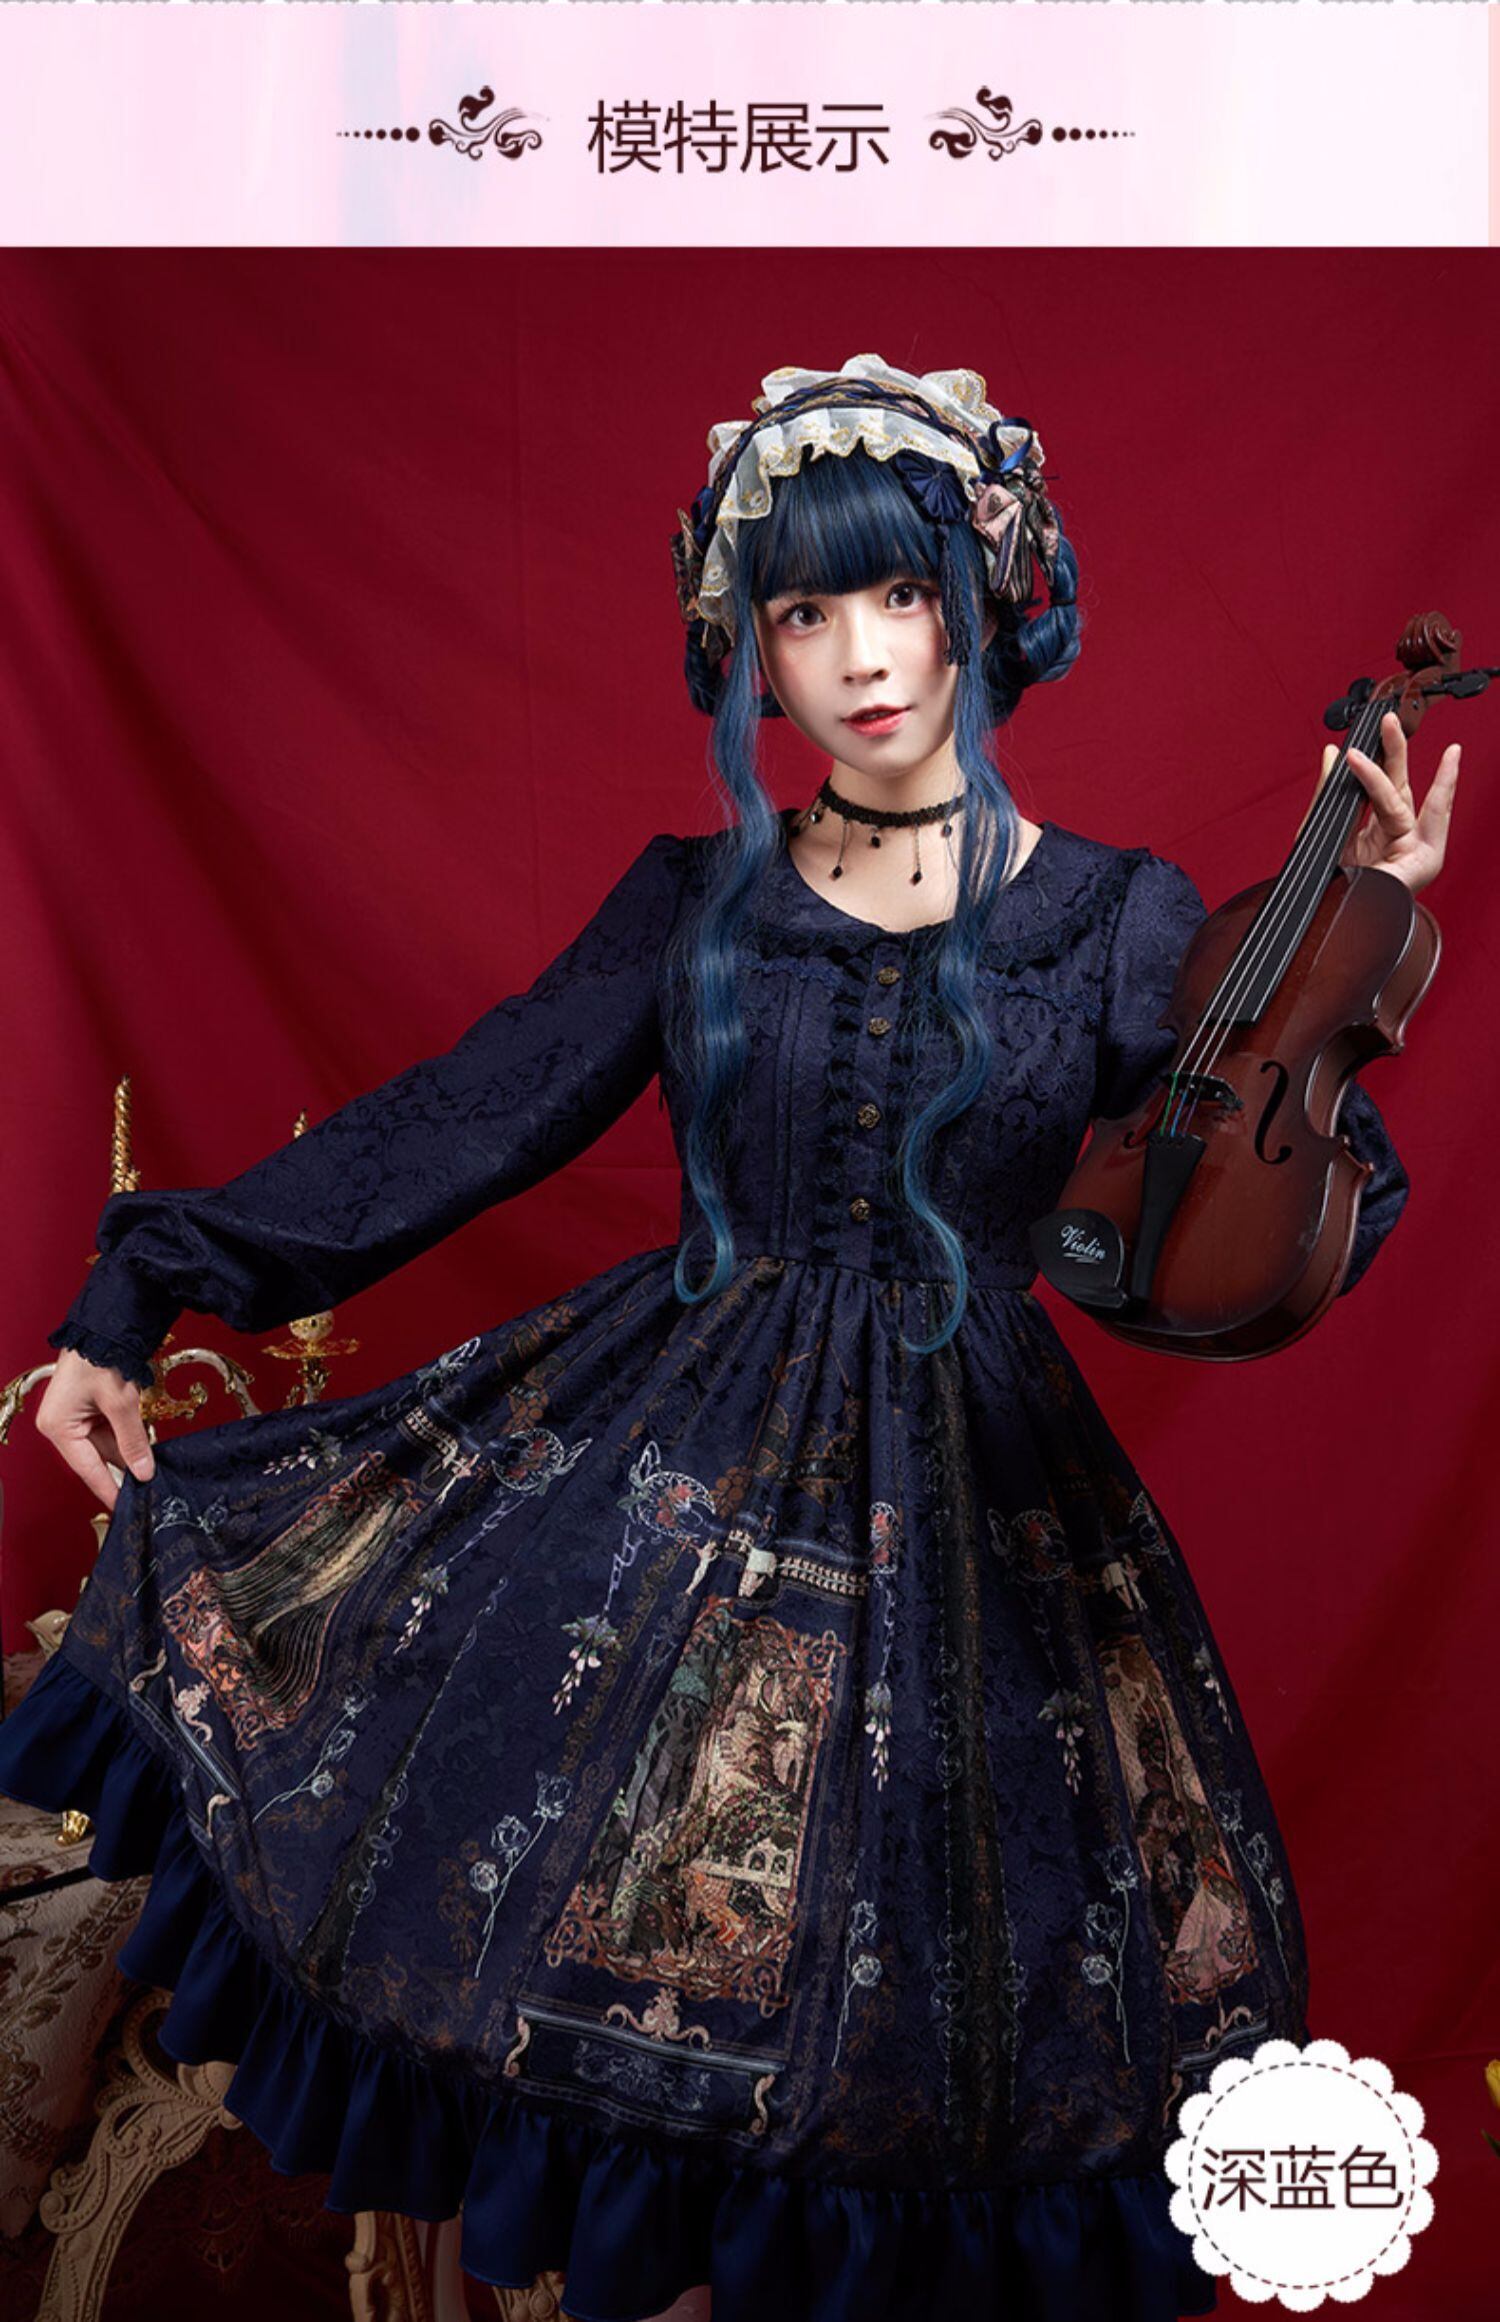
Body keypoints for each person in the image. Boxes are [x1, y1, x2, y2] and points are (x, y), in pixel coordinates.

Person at [1, 354, 1459, 2322]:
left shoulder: (1122, 922)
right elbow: (459, 1119)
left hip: (989, 1549)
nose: (860, 655)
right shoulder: (699, 903)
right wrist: (141, 1283)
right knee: (636, 2053)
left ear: (983, 600)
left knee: (931, 2063)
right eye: (802, 610)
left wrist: (1337, 954)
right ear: (747, 649)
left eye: (902, 593)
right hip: (672, 1498)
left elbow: (1253, 1245)